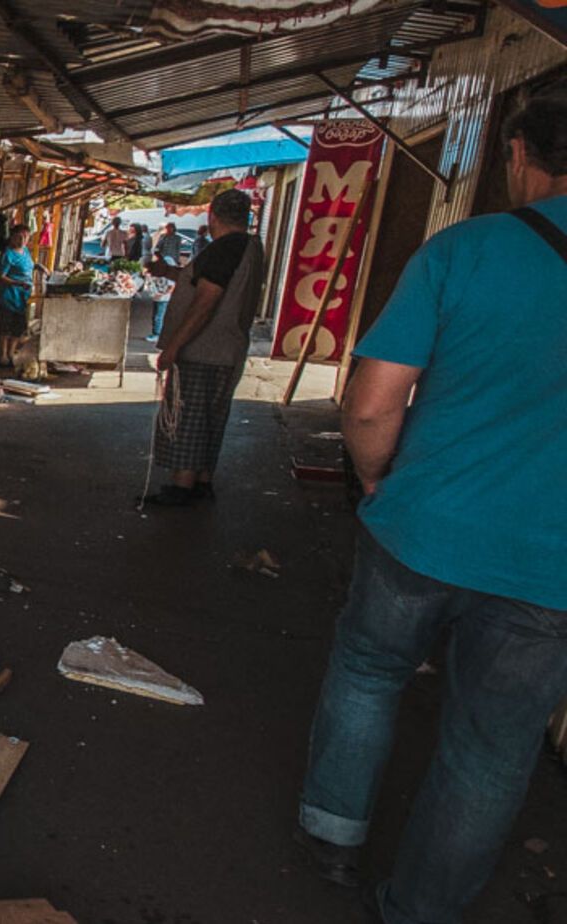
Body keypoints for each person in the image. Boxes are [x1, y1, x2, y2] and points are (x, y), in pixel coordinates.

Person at [294, 88, 567, 924]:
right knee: (491, 747)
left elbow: (373, 405)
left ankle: (332, 836)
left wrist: (378, 477)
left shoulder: (468, 250)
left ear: (519, 155)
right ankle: (419, 909)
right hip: (551, 567)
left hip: (422, 525)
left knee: (371, 672)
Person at [145, 189, 265, 507]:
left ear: (212, 216)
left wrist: (173, 346)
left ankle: (183, 486)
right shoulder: (249, 247)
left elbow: (206, 300)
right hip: (230, 347)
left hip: (205, 349)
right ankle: (200, 481)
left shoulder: (225, 248)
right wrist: (169, 273)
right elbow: (203, 281)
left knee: (189, 417)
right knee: (211, 416)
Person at [0, 224, 39, 368]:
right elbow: (0, 277)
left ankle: (11, 354)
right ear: (12, 237)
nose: (23, 240)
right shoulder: (7, 255)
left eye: (26, 237)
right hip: (8, 296)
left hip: (21, 297)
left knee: (17, 329)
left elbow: (29, 265)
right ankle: (2, 356)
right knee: (5, 328)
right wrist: (18, 283)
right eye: (19, 237)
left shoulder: (25, 251)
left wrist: (39, 267)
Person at [146, 222, 184, 341]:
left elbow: (178, 250)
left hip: (171, 262)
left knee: (159, 313)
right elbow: (159, 247)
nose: (168, 230)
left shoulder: (178, 238)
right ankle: (158, 332)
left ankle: (158, 334)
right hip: (167, 263)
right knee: (159, 312)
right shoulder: (163, 238)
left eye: (170, 228)